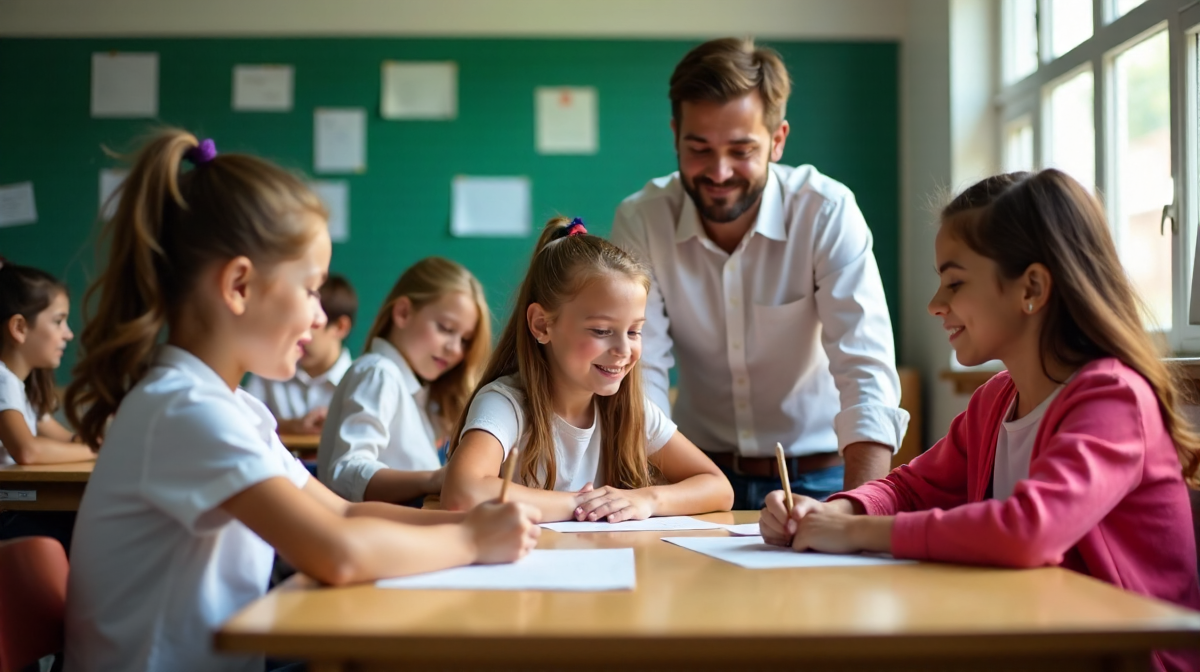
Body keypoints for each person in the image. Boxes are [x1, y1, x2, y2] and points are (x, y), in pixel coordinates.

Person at [62, 130, 540, 672]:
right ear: (239, 286)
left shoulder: (233, 407)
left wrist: (479, 525)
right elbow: (337, 551)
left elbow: (343, 509)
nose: (319, 317)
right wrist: (475, 542)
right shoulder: (185, 411)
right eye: (311, 290)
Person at [759, 170, 1200, 672]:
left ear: (1031, 287)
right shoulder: (996, 400)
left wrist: (858, 535)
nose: (934, 304)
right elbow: (909, 488)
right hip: (1035, 642)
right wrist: (840, 513)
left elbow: (1028, 530)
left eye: (955, 282)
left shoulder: (1113, 399)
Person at [611, 37, 907, 510]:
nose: (720, 171)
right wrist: (651, 489)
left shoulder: (826, 211)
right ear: (674, 136)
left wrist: (858, 509)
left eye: (741, 149)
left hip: (824, 473)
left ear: (778, 140)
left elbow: (865, 368)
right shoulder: (642, 219)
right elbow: (640, 366)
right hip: (695, 473)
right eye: (699, 148)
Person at [442, 217, 733, 523]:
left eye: (634, 332)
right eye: (601, 331)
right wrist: (584, 505)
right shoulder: (505, 403)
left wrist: (645, 499)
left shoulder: (631, 410)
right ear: (542, 325)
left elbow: (719, 487)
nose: (623, 350)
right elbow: (462, 491)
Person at [319, 257, 490, 504]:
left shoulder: (412, 388)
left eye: (465, 340)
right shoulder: (379, 373)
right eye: (446, 328)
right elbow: (345, 472)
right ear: (403, 312)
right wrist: (431, 479)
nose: (455, 349)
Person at [0, 260, 94, 549]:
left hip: (14, 504)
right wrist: (96, 450)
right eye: (57, 321)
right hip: (7, 509)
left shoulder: (19, 387)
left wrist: (93, 440)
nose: (68, 333)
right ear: (19, 327)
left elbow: (62, 438)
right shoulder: (2, 379)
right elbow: (28, 450)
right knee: (86, 529)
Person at [245, 274, 357, 435]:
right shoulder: (269, 371)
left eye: (310, 324)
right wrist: (291, 426)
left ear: (340, 327)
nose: (298, 335)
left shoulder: (360, 384)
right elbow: (242, 422)